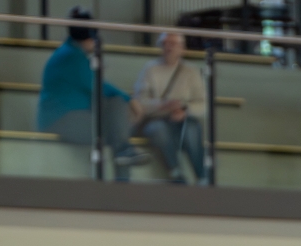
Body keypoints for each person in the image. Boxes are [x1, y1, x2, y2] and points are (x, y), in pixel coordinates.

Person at [37, 8, 137, 180]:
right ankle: (123, 177)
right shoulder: (71, 56)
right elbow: (97, 86)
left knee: (115, 111)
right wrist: (130, 99)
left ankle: (124, 159)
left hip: (71, 116)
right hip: (61, 119)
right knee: (117, 130)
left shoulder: (71, 52)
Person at [131, 32, 207, 184]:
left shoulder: (191, 71)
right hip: (156, 118)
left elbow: (203, 104)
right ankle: (176, 173)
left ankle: (202, 177)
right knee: (158, 129)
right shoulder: (150, 69)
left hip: (183, 119)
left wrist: (184, 110)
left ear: (182, 48)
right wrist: (162, 105)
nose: (168, 47)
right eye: (165, 43)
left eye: (173, 44)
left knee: (192, 129)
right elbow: (139, 101)